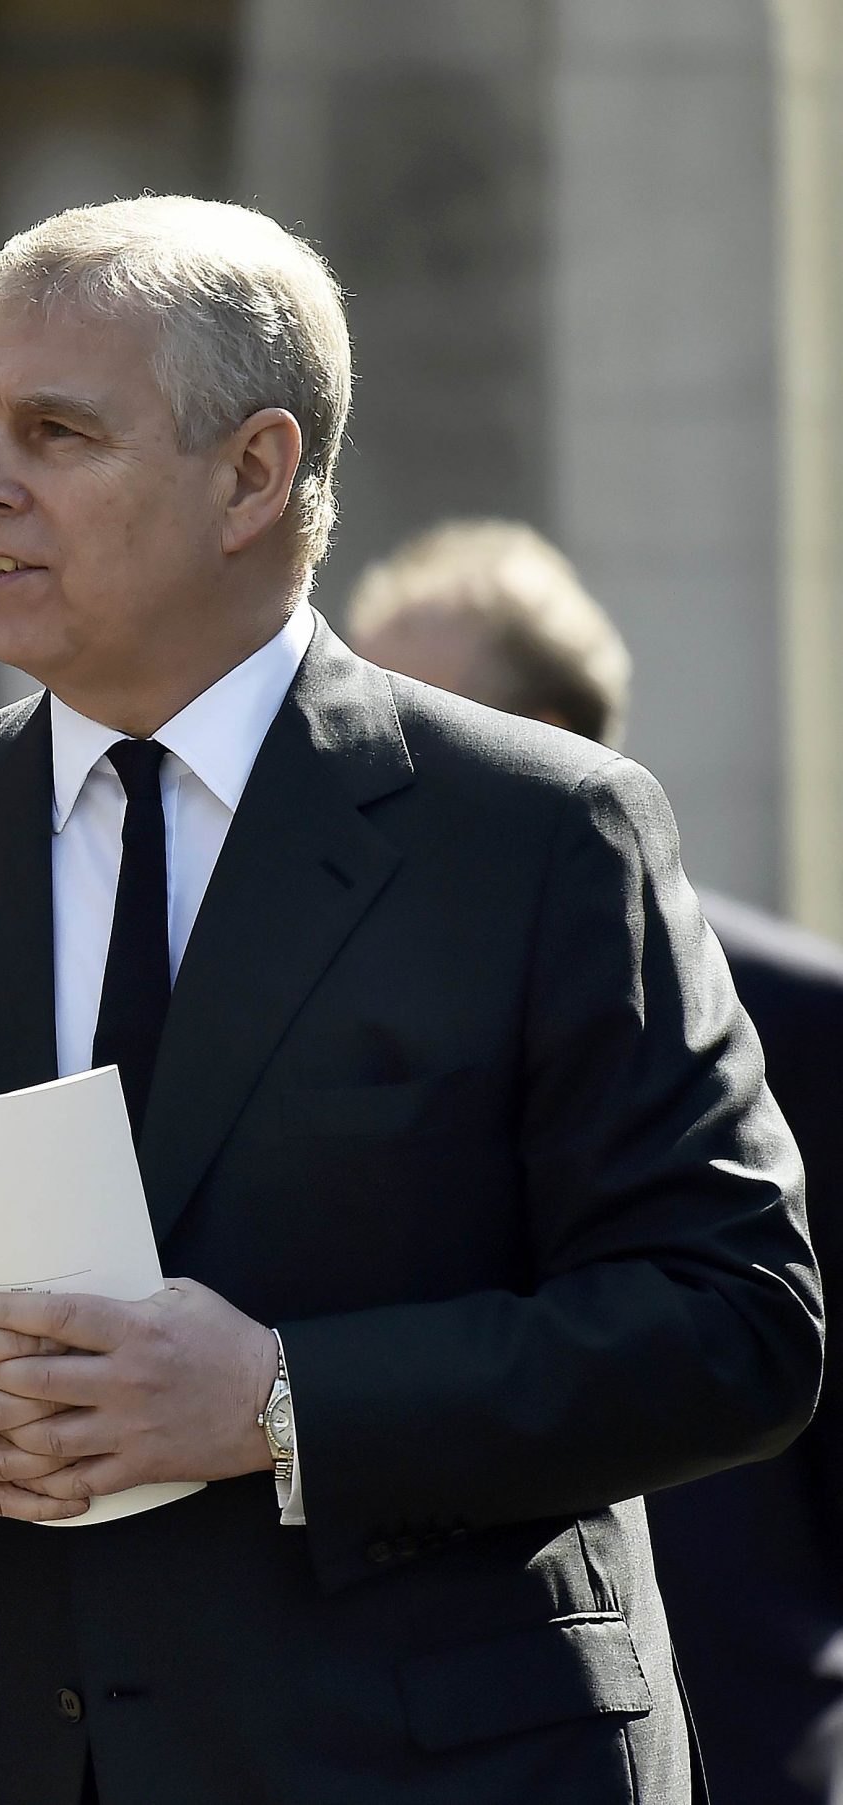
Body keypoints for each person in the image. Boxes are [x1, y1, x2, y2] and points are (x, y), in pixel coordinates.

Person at [0, 195, 819, 1804]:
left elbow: (736, 1322)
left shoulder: (539, 832)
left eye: (58, 432)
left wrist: (277, 1402)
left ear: (256, 474)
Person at [350, 518, 843, 1805]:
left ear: (549, 739)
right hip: (438, 1731)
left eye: (415, 722)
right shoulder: (324, 1022)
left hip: (741, 1709)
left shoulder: (799, 1014)